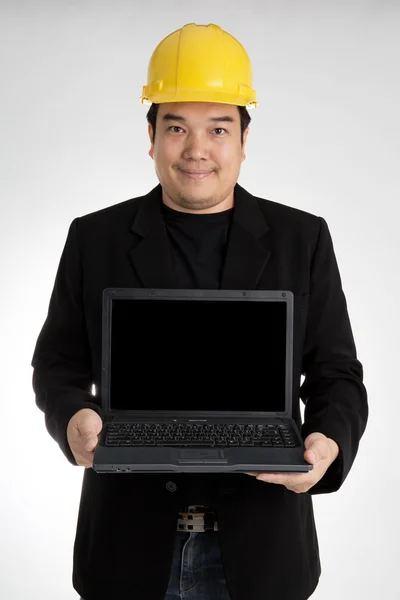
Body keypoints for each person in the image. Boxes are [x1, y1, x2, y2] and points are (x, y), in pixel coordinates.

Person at [31, 22, 368, 600]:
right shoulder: (96, 238)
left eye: (218, 128)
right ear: (151, 135)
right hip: (127, 551)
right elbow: (58, 364)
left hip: (261, 552)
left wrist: (326, 444)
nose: (197, 150)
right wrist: (72, 419)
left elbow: (338, 375)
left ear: (242, 139)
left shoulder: (301, 238)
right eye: (177, 127)